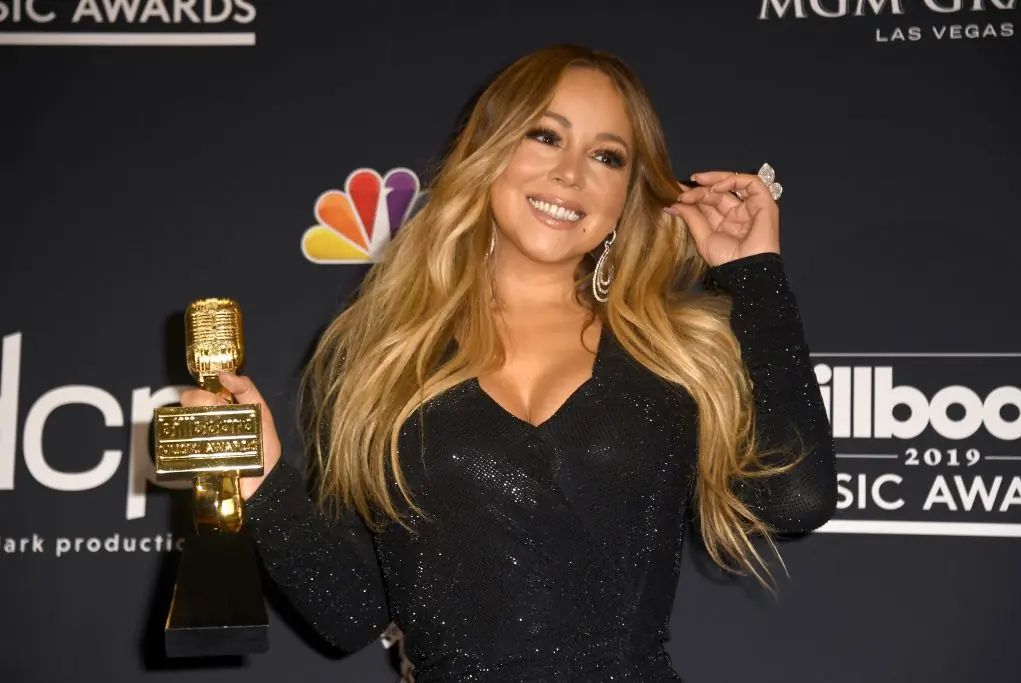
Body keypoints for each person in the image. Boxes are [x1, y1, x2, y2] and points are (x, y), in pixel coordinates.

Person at [182, 44, 837, 682]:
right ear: (489, 151)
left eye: (607, 156)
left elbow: (794, 498)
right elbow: (350, 611)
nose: (572, 173)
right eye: (546, 137)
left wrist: (754, 276)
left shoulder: (672, 348)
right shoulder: (389, 357)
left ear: (627, 194)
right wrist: (259, 474)